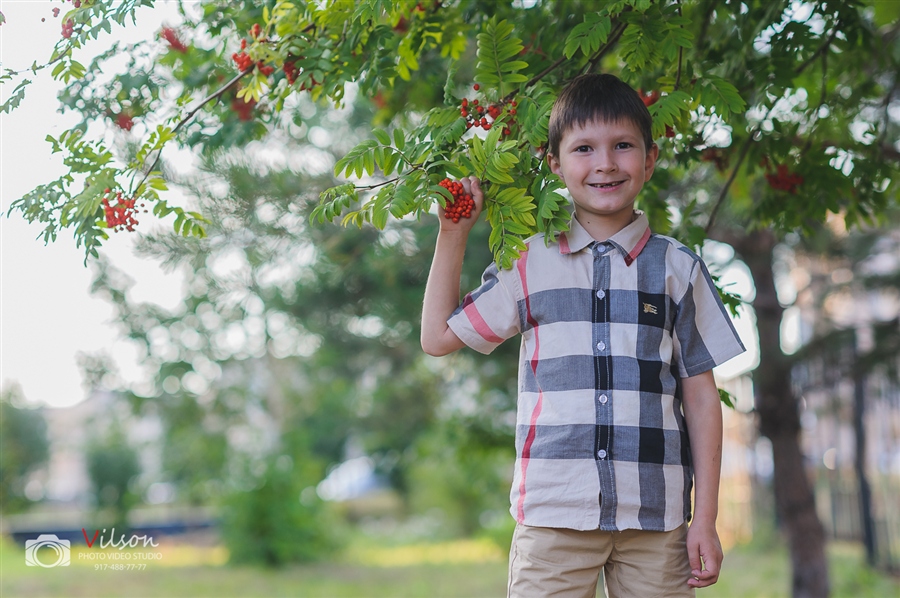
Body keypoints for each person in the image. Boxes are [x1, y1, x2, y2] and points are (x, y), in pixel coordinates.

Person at [420, 73, 745, 598]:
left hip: (655, 520)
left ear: (650, 158)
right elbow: (437, 337)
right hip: (553, 515)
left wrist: (703, 519)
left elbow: (702, 399)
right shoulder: (526, 263)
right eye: (584, 148)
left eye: (623, 146)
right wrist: (453, 232)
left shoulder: (677, 268)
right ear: (555, 163)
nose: (606, 163)